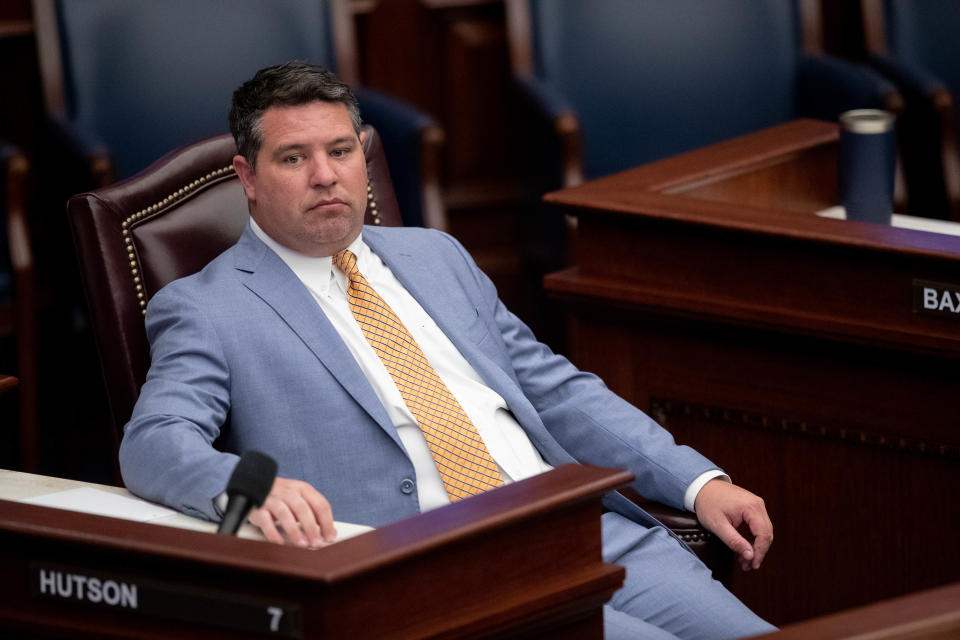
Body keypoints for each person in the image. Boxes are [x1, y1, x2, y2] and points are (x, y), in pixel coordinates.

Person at [120, 61, 776, 639]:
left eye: (341, 151)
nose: (326, 177)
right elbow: (153, 443)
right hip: (441, 571)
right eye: (294, 158)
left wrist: (695, 482)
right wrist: (241, 487)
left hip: (579, 531)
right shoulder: (207, 307)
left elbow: (554, 387)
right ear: (249, 177)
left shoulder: (436, 255)